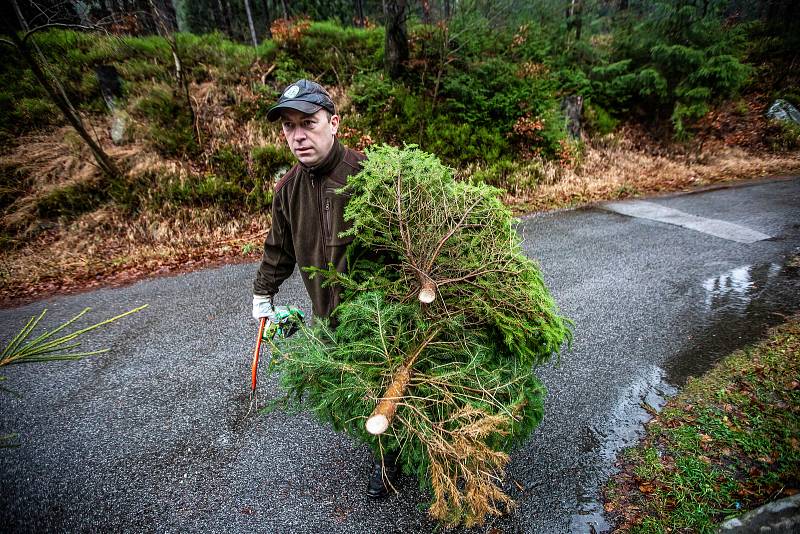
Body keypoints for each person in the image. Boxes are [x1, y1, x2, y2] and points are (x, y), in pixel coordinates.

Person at [251, 79, 397, 499]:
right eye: (288, 126)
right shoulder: (287, 191)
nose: (298, 136)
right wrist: (263, 296)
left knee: (386, 383)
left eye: (308, 123)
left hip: (380, 316)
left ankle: (387, 459)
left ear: (333, 123)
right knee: (352, 385)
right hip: (327, 315)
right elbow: (278, 250)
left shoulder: (370, 176)